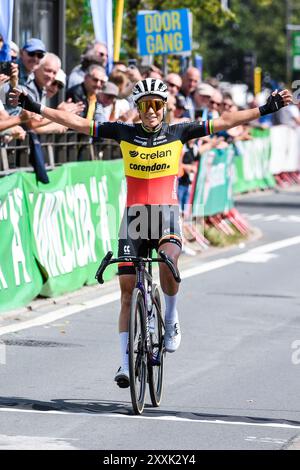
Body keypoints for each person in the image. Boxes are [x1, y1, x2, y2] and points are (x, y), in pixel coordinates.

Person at [9, 79, 292, 388]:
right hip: (134, 217)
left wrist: (267, 108)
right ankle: (126, 362)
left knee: (169, 260)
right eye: (146, 105)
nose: (152, 111)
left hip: (166, 215)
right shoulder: (124, 132)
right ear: (138, 108)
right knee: (127, 291)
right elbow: (76, 121)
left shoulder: (179, 132)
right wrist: (33, 106)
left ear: (165, 107)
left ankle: (170, 318)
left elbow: (226, 121)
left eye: (158, 104)